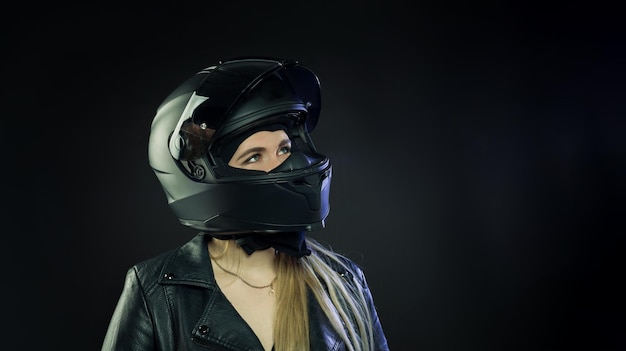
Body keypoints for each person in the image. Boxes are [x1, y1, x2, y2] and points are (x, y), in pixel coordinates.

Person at [101, 57, 389, 351]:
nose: (284, 166)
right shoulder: (155, 290)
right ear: (202, 176)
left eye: (284, 148)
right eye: (254, 156)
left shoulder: (344, 281)